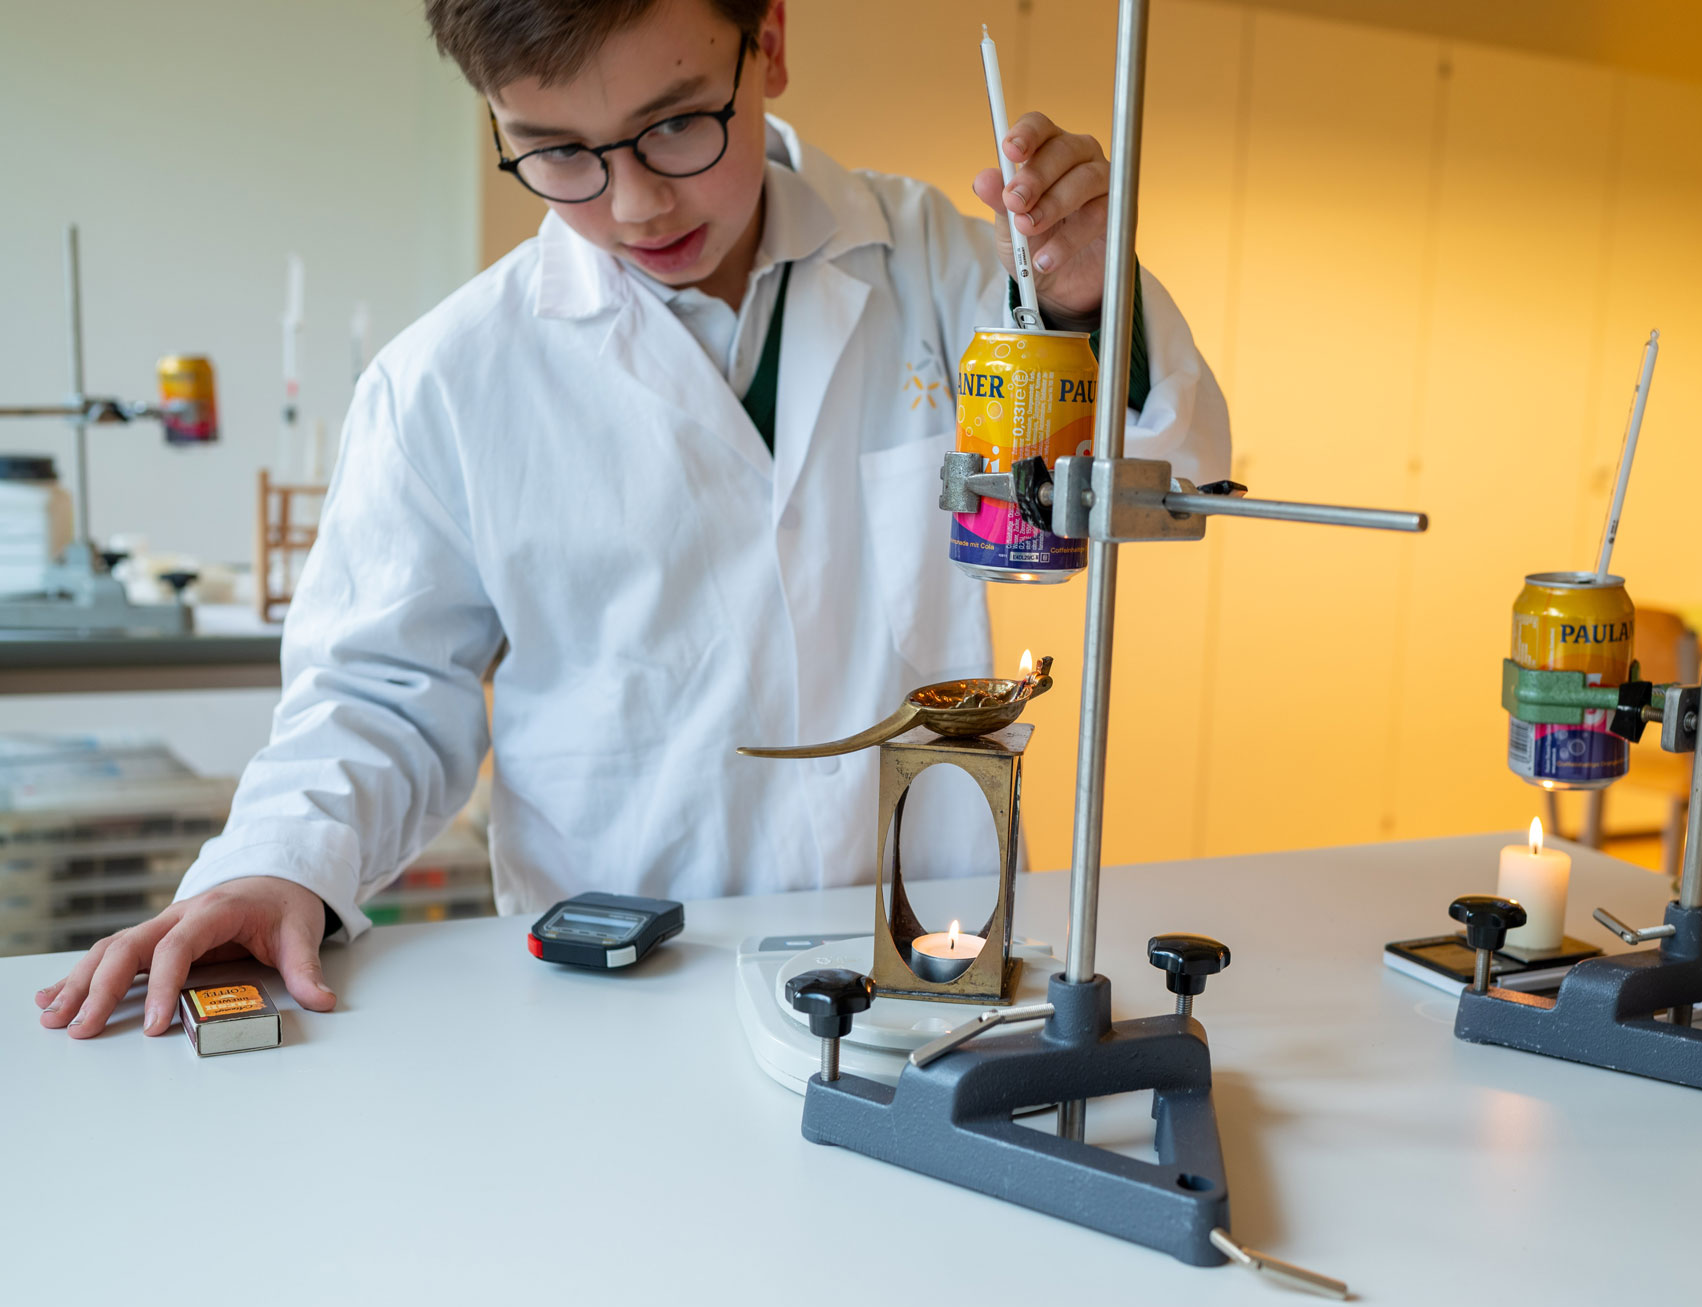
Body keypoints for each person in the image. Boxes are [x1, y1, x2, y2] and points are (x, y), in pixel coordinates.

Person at [34, 0, 1229, 1040]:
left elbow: (1174, 461)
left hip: (937, 969)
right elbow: (381, 695)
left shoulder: (951, 274)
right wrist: (276, 862)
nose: (634, 202)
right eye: (555, 151)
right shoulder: (448, 381)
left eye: (674, 124)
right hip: (620, 992)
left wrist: (1088, 299)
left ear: (766, 39)